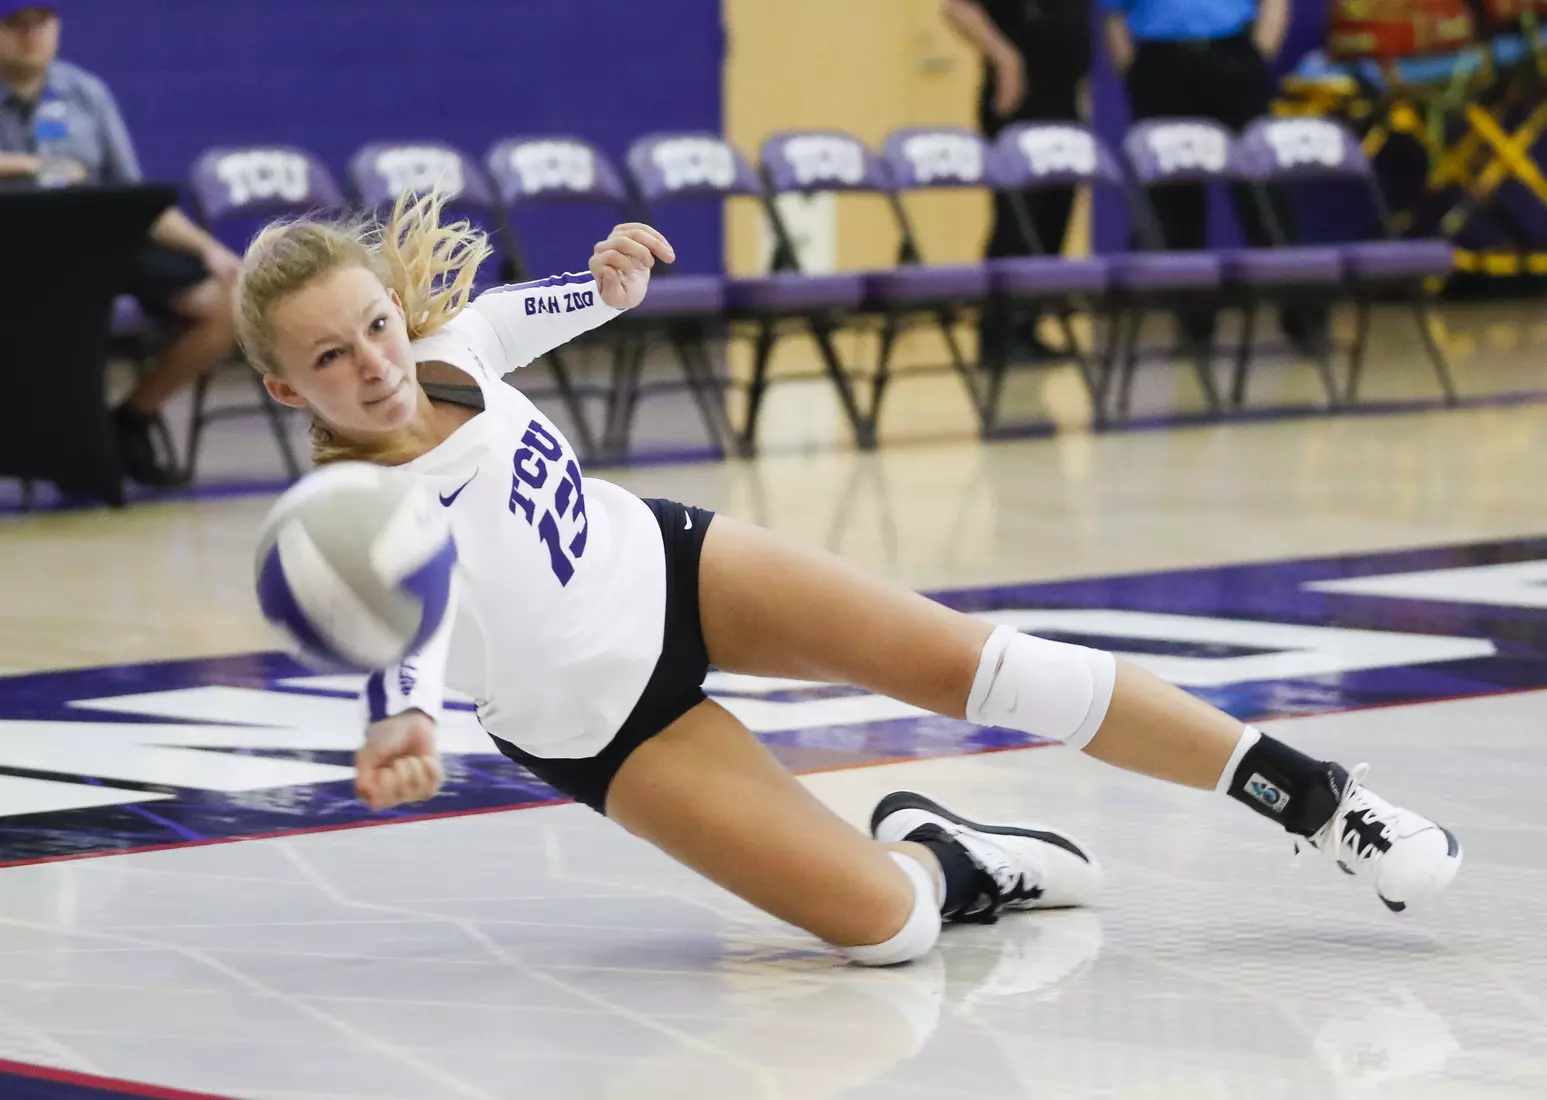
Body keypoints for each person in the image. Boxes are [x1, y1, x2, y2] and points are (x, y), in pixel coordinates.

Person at [234, 190, 1460, 967]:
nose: (373, 364)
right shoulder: (359, 512)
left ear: (399, 311)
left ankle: (1318, 799)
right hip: (602, 726)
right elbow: (407, 625)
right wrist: (398, 719)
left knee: (985, 664)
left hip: (676, 566)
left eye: (376, 327)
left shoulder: (450, 352)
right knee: (889, 931)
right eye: (330, 359)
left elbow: (532, 312)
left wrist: (611, 282)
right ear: (288, 391)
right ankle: (951, 852)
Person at [0, 1, 240, 487]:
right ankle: (47, 442)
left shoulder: (86, 94)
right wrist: (29, 166)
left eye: (41, 23)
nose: (30, 35)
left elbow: (135, 198)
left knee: (226, 303)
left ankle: (129, 419)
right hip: (15, 254)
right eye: (14, 24)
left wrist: (207, 250)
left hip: (96, 243)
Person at [1103, 0, 1329, 354]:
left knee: (1263, 195)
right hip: (1159, 64)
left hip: (1233, 55)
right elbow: (1113, 15)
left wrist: (1257, 58)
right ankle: (1194, 323)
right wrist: (1133, 73)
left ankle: (1303, 316)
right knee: (1175, 201)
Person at [943, 0, 1092, 363]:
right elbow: (957, 10)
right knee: (1017, 217)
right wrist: (1005, 57)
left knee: (1055, 215)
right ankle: (997, 333)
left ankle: (1028, 328)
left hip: (1064, 98)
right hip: (1019, 92)